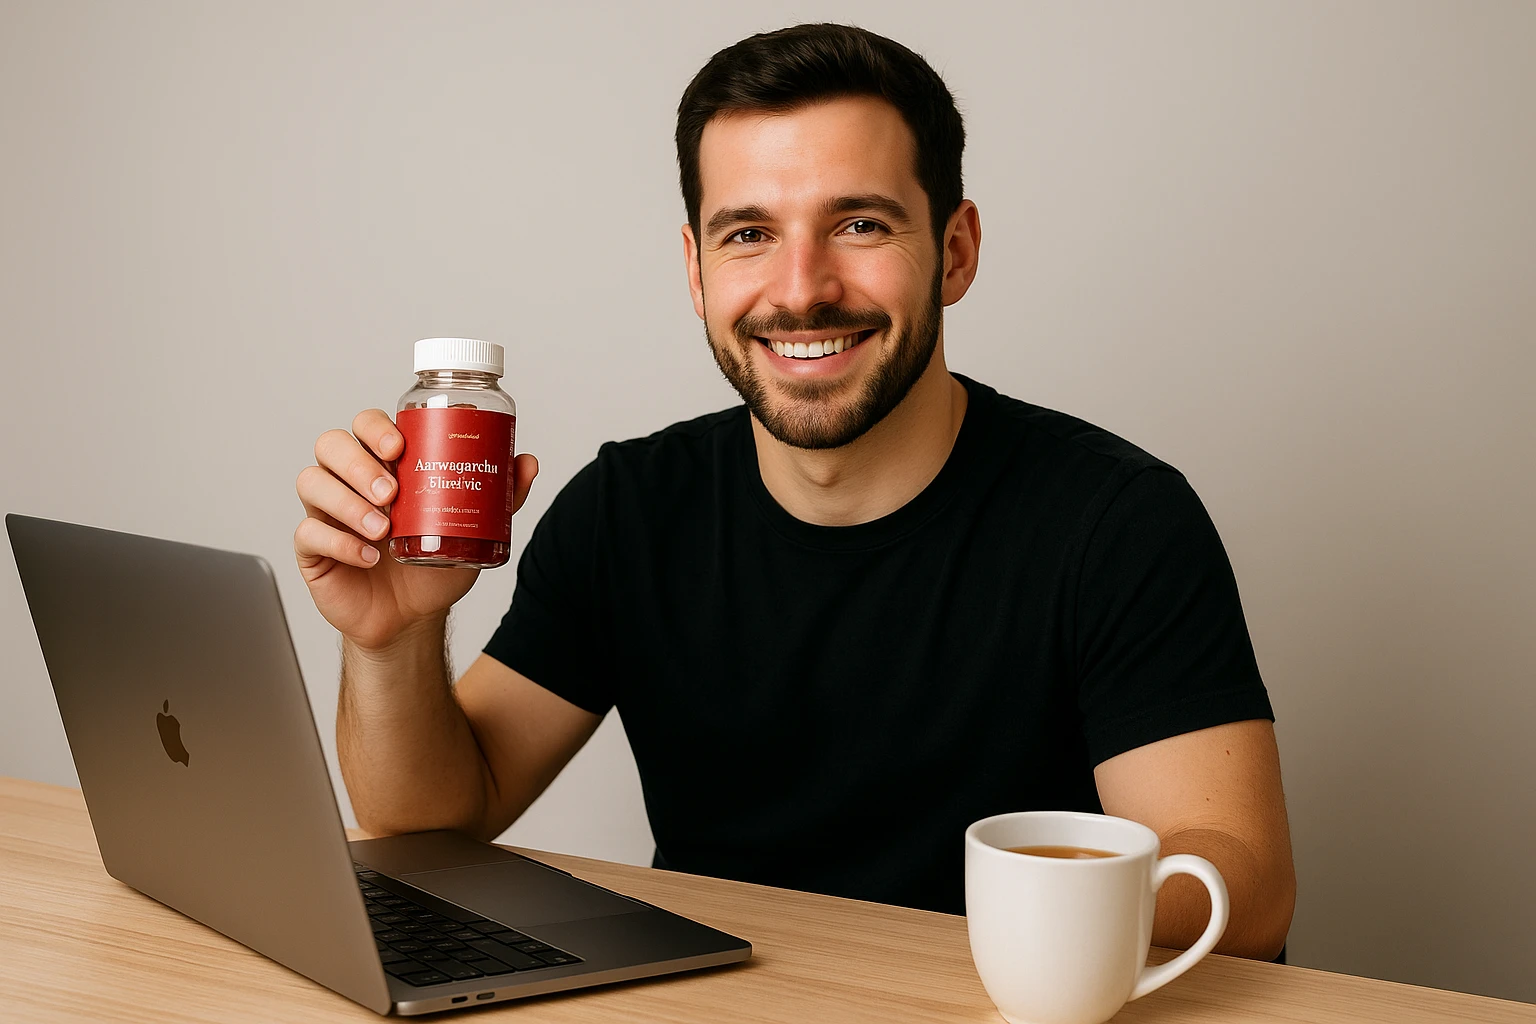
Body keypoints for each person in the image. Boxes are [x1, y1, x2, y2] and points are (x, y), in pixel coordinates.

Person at [294, 23, 1296, 960]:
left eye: (859, 223)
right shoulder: (629, 508)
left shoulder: (1117, 520)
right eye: (747, 235)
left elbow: (1240, 888)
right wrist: (391, 639)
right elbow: (431, 818)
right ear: (694, 269)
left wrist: (1017, 934)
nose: (801, 286)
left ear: (955, 250)